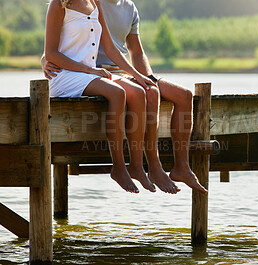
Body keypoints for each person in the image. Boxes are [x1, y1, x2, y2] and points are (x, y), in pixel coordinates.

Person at [43, 0, 208, 194]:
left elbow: (129, 50)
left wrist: (144, 77)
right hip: (87, 72)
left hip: (109, 72)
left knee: (157, 92)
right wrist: (46, 60)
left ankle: (160, 167)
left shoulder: (117, 6)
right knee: (130, 92)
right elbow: (54, 48)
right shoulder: (69, 3)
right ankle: (133, 167)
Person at [45, 0, 159, 194]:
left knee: (139, 92)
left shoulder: (95, 2)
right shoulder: (59, 4)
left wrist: (139, 76)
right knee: (117, 92)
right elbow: (50, 53)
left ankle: (137, 166)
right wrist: (89, 70)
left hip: (89, 73)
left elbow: (111, 49)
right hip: (65, 76)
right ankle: (119, 167)